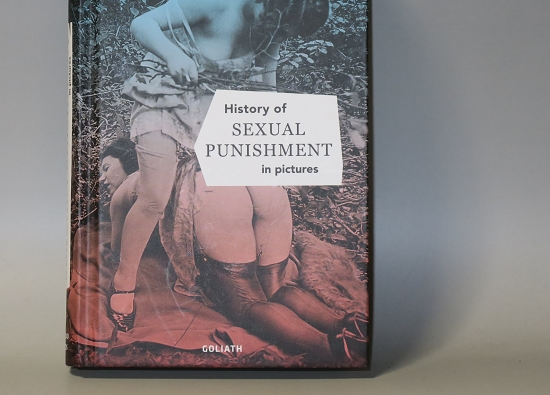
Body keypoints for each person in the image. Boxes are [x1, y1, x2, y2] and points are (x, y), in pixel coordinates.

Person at [110, 0, 332, 331]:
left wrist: (275, 132)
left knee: (251, 189)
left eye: (284, 33)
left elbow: (265, 84)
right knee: (155, 197)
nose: (276, 35)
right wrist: (173, 55)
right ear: (264, 0)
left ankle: (133, 191)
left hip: (210, 106)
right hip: (161, 96)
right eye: (276, 26)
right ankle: (123, 282)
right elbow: (142, 24)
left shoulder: (274, 25)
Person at [100, 138, 367, 364]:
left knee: (248, 303)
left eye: (106, 167)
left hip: (214, 189)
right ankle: (349, 325)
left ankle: (334, 349)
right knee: (276, 288)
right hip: (257, 180)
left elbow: (118, 250)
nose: (102, 179)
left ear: (132, 160)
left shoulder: (133, 183)